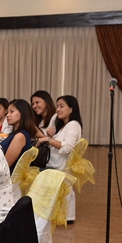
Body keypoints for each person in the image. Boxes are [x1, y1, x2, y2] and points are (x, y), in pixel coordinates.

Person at [36, 95, 83, 223]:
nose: (57, 110)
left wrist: (48, 139)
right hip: (55, 165)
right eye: (57, 106)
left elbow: (67, 147)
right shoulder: (64, 125)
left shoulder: (73, 125)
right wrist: (51, 137)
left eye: (61, 106)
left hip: (59, 168)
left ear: (71, 109)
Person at [0, 99, 38, 173]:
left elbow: (6, 165)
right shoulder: (16, 133)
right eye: (7, 112)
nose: (7, 115)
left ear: (22, 113)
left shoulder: (20, 136)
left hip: (8, 176)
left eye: (12, 112)